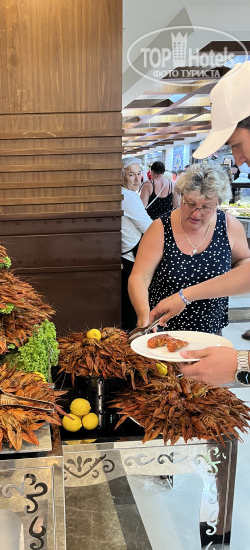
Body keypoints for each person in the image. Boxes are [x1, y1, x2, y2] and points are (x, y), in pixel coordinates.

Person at [149, 61, 250, 386]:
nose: (238, 159)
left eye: (236, 144)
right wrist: (184, 297)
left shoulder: (228, 225)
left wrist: (242, 363)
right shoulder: (162, 227)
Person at [128, 162, 250, 335]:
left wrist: (231, 276)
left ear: (217, 203)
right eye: (190, 204)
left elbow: (243, 260)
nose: (196, 213)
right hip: (164, 331)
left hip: (210, 332)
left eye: (206, 207)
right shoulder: (161, 228)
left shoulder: (229, 226)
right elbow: (139, 277)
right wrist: (143, 314)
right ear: (181, 196)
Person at [121, 157, 153, 330]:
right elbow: (149, 228)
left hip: (126, 256)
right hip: (132, 259)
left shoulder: (125, 194)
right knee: (134, 309)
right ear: (122, 177)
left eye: (139, 174)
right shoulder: (128, 197)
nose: (137, 179)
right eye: (131, 175)